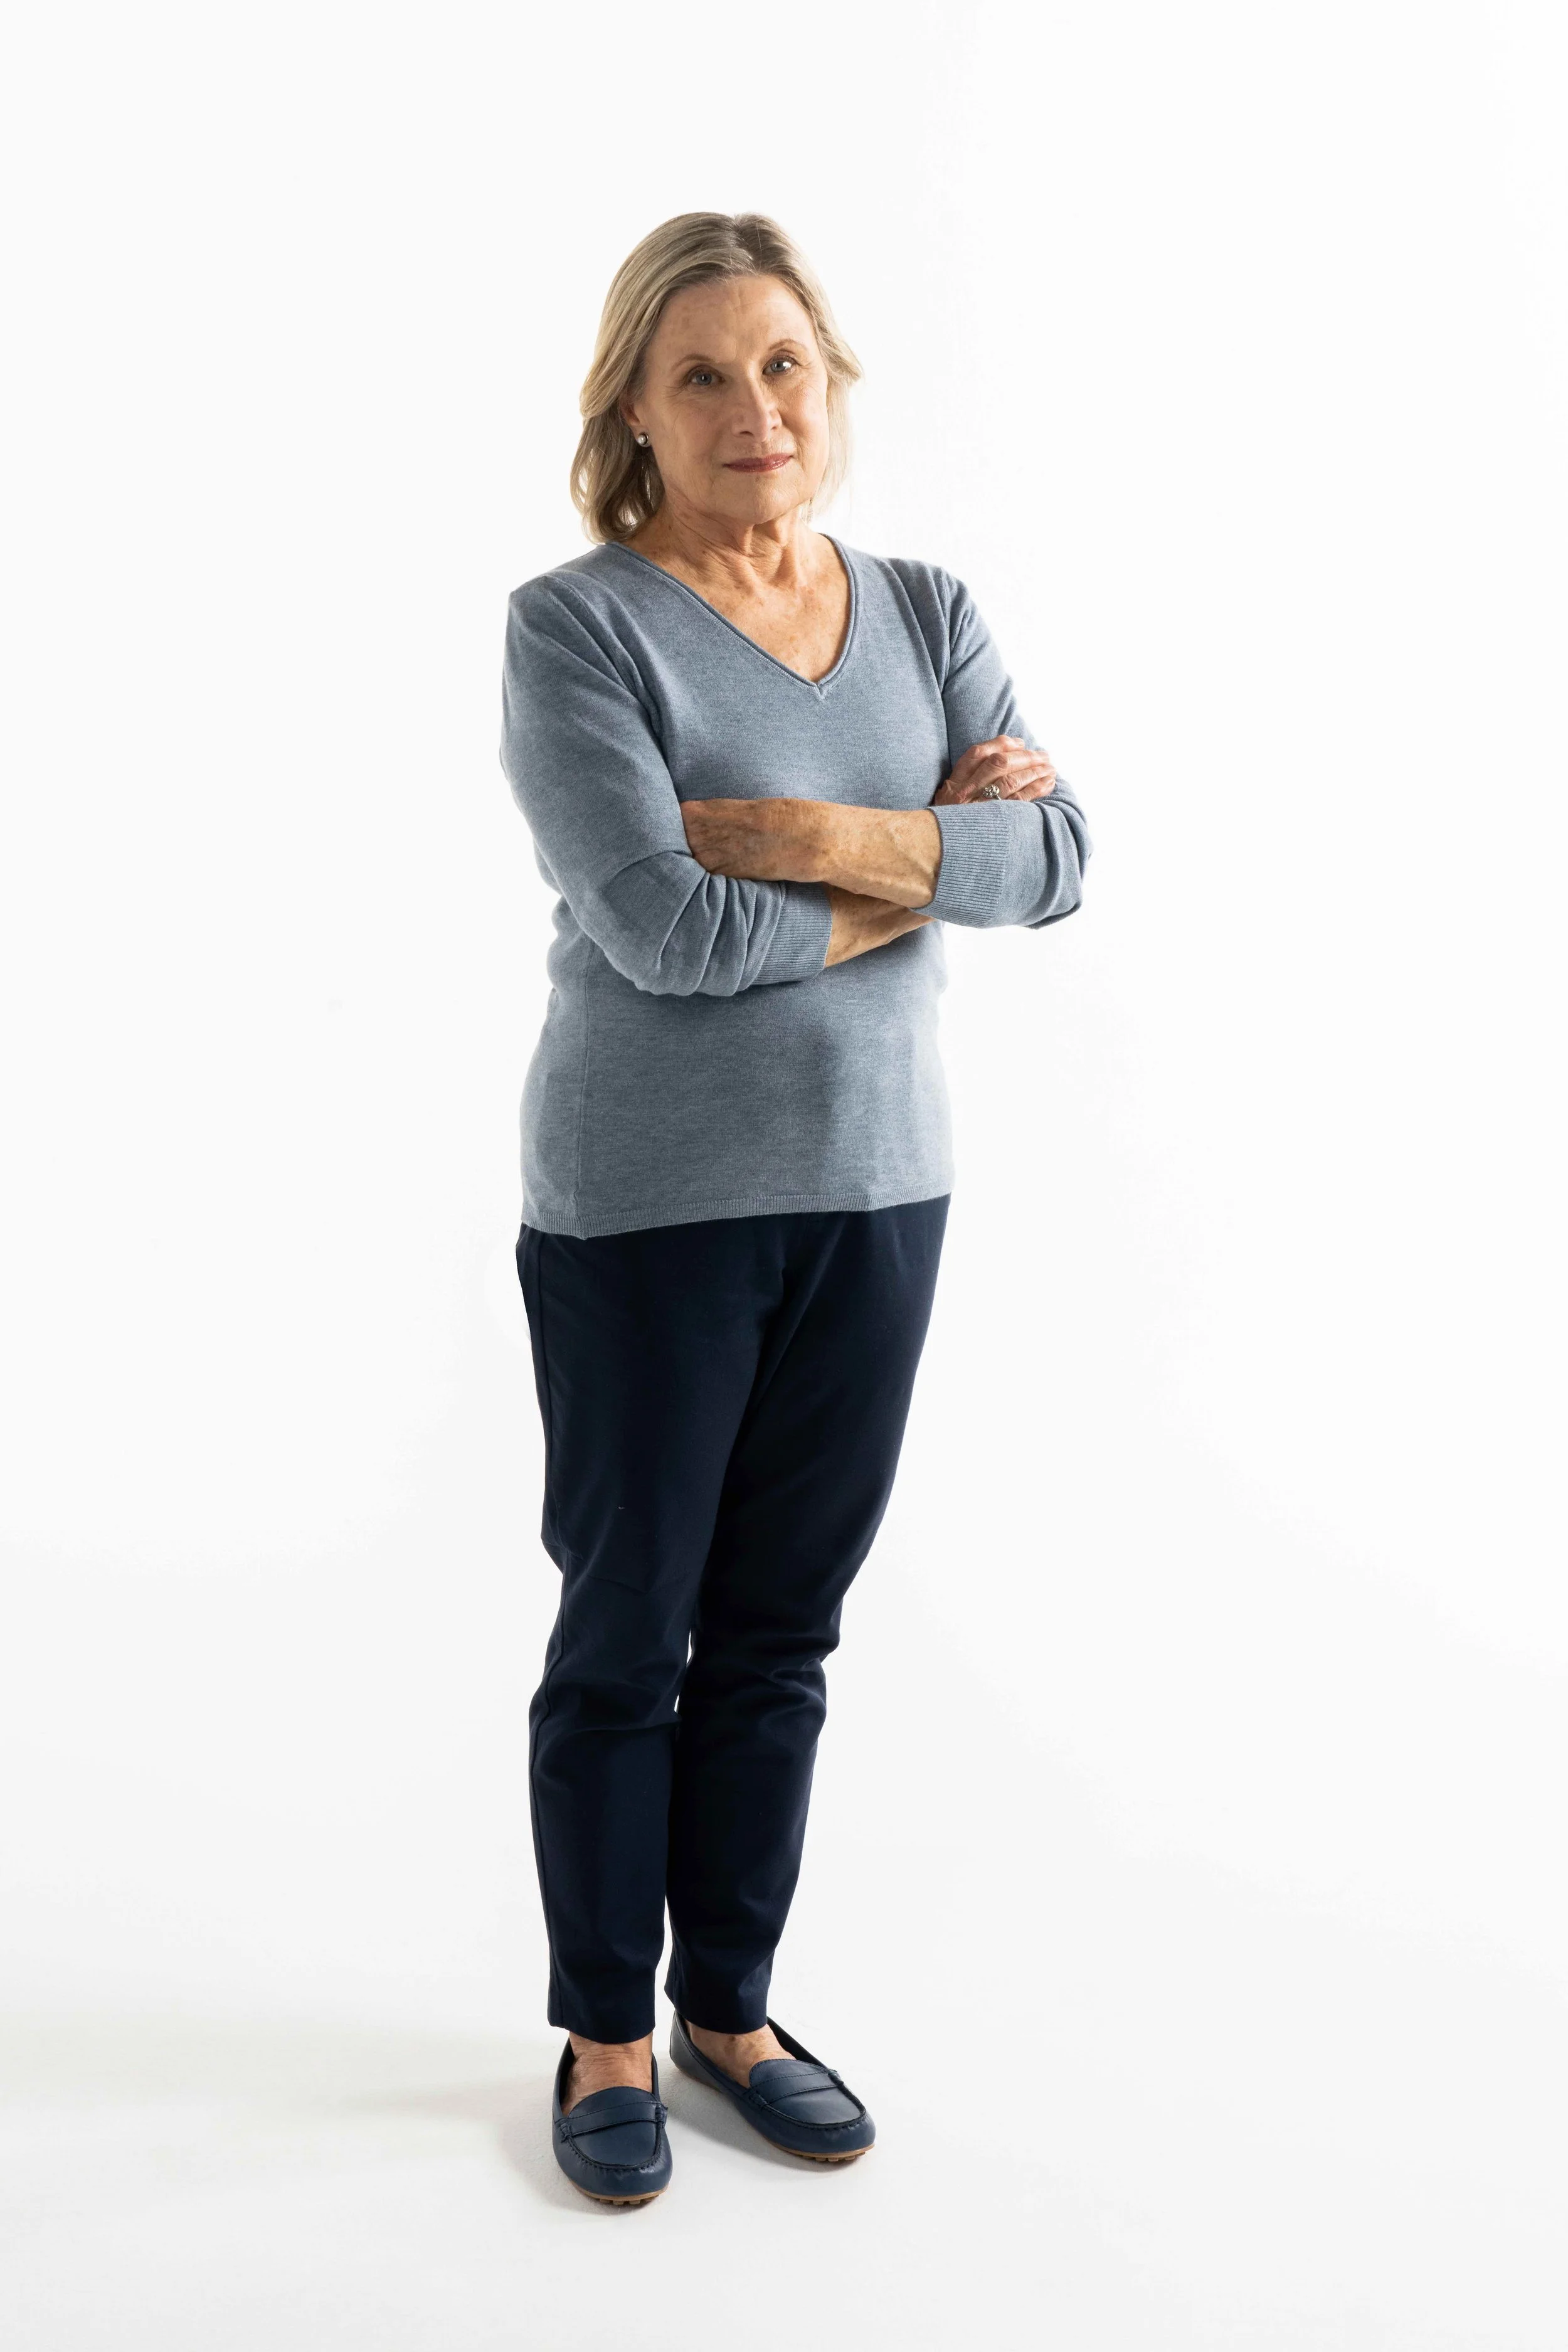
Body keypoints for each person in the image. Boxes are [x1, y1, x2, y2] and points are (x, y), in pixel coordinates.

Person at [500, 211, 1091, 2206]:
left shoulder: (921, 608)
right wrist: (941, 851)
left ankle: (728, 2012)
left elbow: (1064, 855)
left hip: (878, 1191)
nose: (754, 407)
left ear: (828, 390)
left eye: (784, 366)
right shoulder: (576, 628)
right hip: (646, 1209)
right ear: (634, 418)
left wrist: (821, 837)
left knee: (780, 1635)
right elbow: (660, 924)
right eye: (700, 375)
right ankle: (601, 2028)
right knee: (627, 1633)